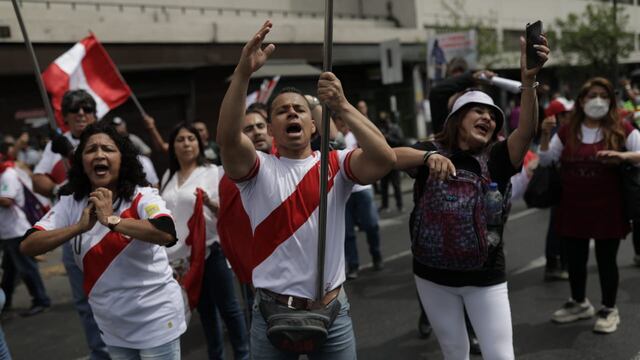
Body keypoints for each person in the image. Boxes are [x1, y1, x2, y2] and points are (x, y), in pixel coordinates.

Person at [216, 20, 395, 358]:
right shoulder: (257, 169)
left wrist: (342, 105)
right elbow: (227, 138)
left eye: (299, 109)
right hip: (271, 313)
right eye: (282, 111)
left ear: (314, 125)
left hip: (332, 311)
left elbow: (383, 159)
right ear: (271, 129)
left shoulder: (337, 164)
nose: (292, 114)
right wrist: (242, 73)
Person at [394, 35, 549, 358]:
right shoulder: (429, 151)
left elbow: (527, 131)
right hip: (431, 275)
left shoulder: (498, 158)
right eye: (477, 111)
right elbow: (387, 157)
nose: (488, 118)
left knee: (499, 355)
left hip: (485, 278)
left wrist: (529, 82)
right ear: (456, 120)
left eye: (492, 116)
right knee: (454, 351)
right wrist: (425, 159)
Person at [21, 122, 186, 359]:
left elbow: (166, 233)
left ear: (123, 159)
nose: (99, 154)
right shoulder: (71, 203)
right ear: (81, 162)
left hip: (155, 318)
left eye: (108, 149)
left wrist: (112, 220)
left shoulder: (142, 195)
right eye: (91, 150)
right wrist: (78, 227)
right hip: (111, 324)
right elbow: (28, 245)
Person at [539, 77, 640, 334]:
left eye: (604, 96)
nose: (598, 100)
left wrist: (623, 156)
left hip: (608, 207)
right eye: (592, 95)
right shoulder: (567, 131)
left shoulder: (622, 129)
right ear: (582, 101)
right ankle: (579, 302)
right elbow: (547, 159)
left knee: (607, 260)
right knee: (575, 259)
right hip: (572, 206)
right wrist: (543, 135)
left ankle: (608, 308)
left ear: (611, 101)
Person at [31, 89, 109, 360]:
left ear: (95, 112)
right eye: (74, 109)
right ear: (64, 117)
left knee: (114, 295)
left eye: (86, 107)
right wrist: (58, 189)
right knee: (84, 301)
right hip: (74, 231)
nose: (81, 113)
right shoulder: (58, 143)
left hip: (110, 230)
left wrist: (73, 153)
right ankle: (99, 352)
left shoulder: (107, 139)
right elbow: (37, 179)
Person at [160, 123, 248, 360]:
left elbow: (229, 211)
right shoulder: (168, 176)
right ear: (173, 146)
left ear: (199, 144)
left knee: (229, 309)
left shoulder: (213, 172)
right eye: (180, 139)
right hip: (183, 258)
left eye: (191, 138)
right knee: (205, 311)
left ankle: (243, 354)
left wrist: (209, 202)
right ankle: (215, 356)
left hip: (211, 250)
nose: (186, 144)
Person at [333, 114, 385, 280]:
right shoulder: (331, 140)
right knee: (347, 233)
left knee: (371, 225)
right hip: (343, 192)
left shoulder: (357, 135)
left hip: (362, 188)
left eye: (344, 121)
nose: (343, 124)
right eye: (339, 121)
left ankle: (376, 255)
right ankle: (353, 265)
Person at [0, 156, 51, 316]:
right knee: (9, 269)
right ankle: (5, 302)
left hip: (16, 230)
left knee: (27, 268)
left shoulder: (7, 174)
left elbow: (7, 201)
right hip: (7, 231)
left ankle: (40, 300)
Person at [539, 98, 575, 281]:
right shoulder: (558, 133)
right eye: (565, 114)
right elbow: (545, 158)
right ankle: (555, 263)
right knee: (559, 225)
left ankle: (559, 263)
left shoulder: (570, 131)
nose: (569, 116)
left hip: (570, 187)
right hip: (561, 186)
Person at [377, 110, 406, 213]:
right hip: (383, 160)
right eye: (382, 121)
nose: (384, 123)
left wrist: (389, 138)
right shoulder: (380, 129)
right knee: (384, 185)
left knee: (396, 184)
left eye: (385, 120)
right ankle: (385, 205)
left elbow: (401, 141)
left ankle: (400, 205)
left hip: (394, 159)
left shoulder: (395, 128)